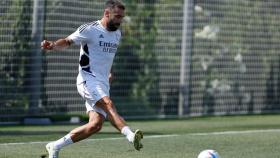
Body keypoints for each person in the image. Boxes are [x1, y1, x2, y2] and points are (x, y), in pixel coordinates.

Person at [41, 1, 143, 157]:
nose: (119, 21)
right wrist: (53, 45)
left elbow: (105, 58)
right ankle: (130, 135)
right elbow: (68, 41)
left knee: (95, 125)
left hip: (102, 83)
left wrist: (109, 73)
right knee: (108, 104)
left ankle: (54, 146)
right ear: (106, 13)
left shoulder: (117, 34)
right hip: (87, 80)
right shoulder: (90, 29)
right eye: (117, 17)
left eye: (122, 17)